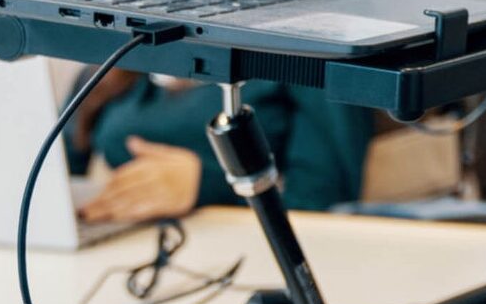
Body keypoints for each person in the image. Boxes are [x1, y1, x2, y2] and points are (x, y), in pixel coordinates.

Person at [72, 73, 373, 223]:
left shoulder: (307, 55)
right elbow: (57, 180)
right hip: (127, 240)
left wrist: (208, 184)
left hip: (245, 248)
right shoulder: (114, 58)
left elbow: (324, 204)